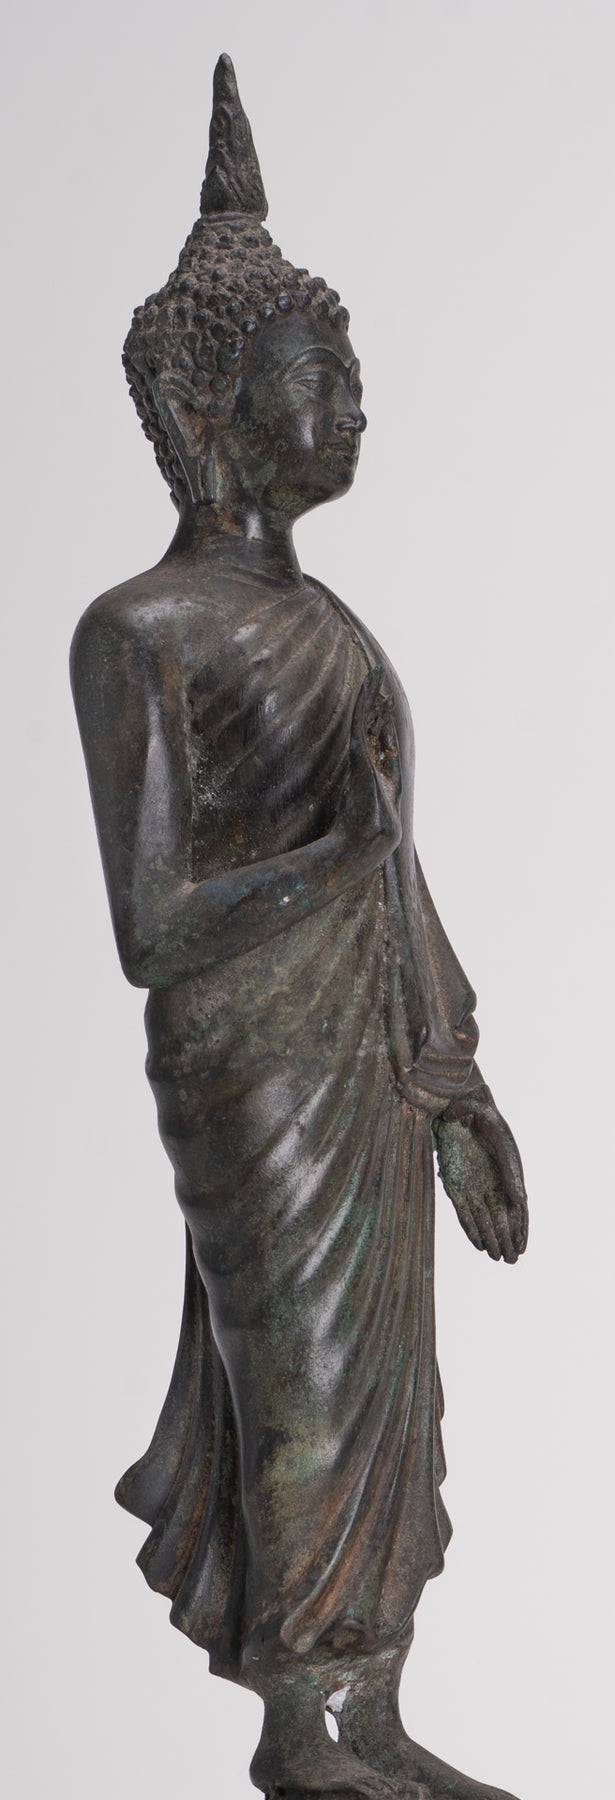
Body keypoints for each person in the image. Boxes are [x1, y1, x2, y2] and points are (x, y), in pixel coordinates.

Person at [71, 55, 528, 1800]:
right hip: (249, 1069)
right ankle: (300, 1727)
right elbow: (152, 921)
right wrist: (329, 866)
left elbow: (395, 870)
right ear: (210, 403)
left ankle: (369, 1711)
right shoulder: (143, 632)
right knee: (307, 1371)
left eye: (350, 368)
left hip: (367, 1057)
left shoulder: (338, 625)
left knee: (395, 1383)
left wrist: (456, 1086)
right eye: (316, 370)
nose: (353, 401)